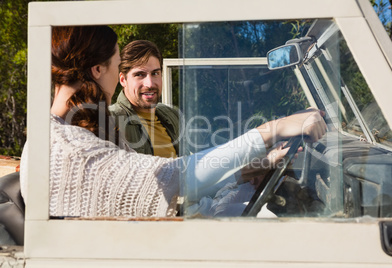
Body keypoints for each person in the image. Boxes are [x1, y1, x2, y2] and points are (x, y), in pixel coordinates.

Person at [20, 26, 327, 218]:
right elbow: (173, 179)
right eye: (120, 68)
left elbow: (192, 180)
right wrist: (271, 129)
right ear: (100, 70)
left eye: (155, 73)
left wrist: (250, 170)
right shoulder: (70, 147)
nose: (150, 82)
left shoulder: (161, 117)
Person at [109, 40, 179, 158]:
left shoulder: (172, 114)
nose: (150, 84)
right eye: (140, 75)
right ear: (122, 80)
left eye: (155, 73)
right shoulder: (110, 119)